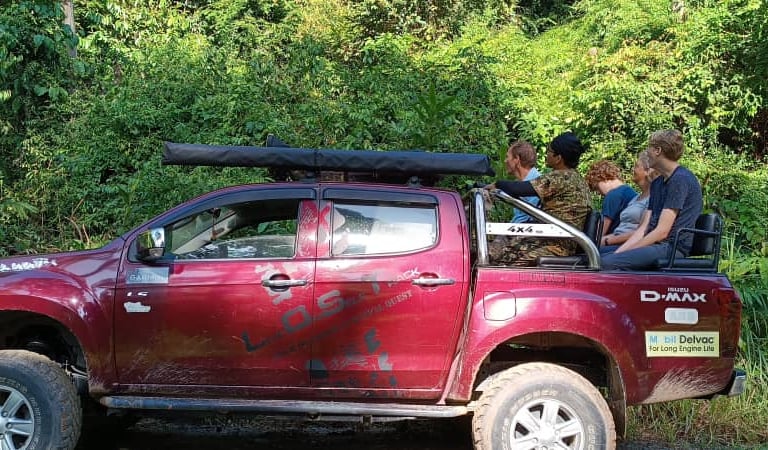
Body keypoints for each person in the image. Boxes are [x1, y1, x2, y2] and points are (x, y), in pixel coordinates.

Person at [485, 132, 592, 266]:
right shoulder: (577, 179)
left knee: (494, 259)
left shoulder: (561, 177)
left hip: (554, 245)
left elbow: (520, 189)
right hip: (562, 241)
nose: (546, 154)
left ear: (558, 158)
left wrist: (497, 185)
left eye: (549, 151)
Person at [601, 130, 702, 270]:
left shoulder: (680, 180)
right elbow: (644, 228)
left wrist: (624, 254)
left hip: (671, 247)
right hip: (655, 244)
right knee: (594, 256)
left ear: (657, 150)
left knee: (607, 263)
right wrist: (619, 252)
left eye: (649, 147)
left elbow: (662, 231)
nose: (646, 152)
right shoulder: (658, 184)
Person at [599, 150, 656, 253]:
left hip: (628, 245)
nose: (633, 170)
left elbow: (642, 231)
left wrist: (608, 241)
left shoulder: (652, 199)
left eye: (636, 166)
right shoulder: (635, 198)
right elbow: (621, 229)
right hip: (614, 241)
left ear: (647, 171)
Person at [585, 160, 637, 236]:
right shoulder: (630, 191)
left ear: (602, 178)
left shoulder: (612, 195)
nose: (599, 193)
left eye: (597, 188)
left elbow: (600, 233)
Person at [503, 140, 541, 223]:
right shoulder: (523, 181)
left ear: (517, 159)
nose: (505, 161)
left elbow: (527, 218)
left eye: (507, 157)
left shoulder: (535, 183)